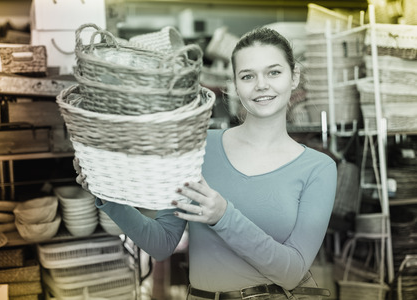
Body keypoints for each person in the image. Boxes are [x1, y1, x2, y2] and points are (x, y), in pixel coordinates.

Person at [75, 26, 337, 300]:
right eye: (248, 76)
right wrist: (106, 195)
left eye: (274, 72)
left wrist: (223, 216)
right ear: (235, 84)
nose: (261, 85)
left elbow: (293, 271)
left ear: (294, 77)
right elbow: (162, 243)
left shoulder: (317, 168)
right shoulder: (198, 146)